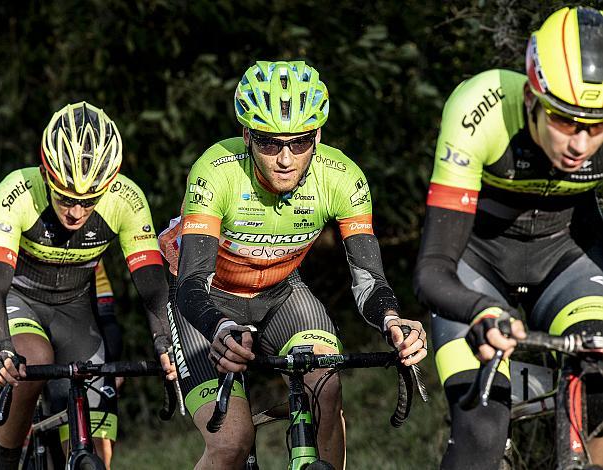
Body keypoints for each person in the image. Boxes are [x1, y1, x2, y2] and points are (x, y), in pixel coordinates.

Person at [160, 60, 427, 469]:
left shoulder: (342, 179)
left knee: (328, 385)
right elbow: (192, 280)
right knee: (231, 442)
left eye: (299, 142)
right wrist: (218, 327)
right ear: (247, 135)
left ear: (317, 136)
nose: (285, 158)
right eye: (269, 143)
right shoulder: (216, 172)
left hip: (281, 293)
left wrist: (392, 321)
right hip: (205, 303)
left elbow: (368, 280)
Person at [413, 6, 603, 469]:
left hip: (569, 266)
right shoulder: (482, 109)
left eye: (595, 126)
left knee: (599, 392)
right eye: (564, 120)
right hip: (476, 273)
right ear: (533, 96)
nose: (580, 144)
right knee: (479, 430)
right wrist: (480, 311)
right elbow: (432, 267)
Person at [0, 102, 175, 470]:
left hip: (75, 310)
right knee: (32, 359)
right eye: (66, 197)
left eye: (89, 201)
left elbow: (151, 286)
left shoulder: (127, 199)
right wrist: (2, 348)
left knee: (96, 449)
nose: (76, 213)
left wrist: (165, 341)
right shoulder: (17, 191)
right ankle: (5, 462)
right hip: (19, 299)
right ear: (45, 173)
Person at [0, 223, 123, 469]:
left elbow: (104, 318)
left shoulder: (82, 242)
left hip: (64, 344)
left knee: (75, 439)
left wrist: (111, 366)